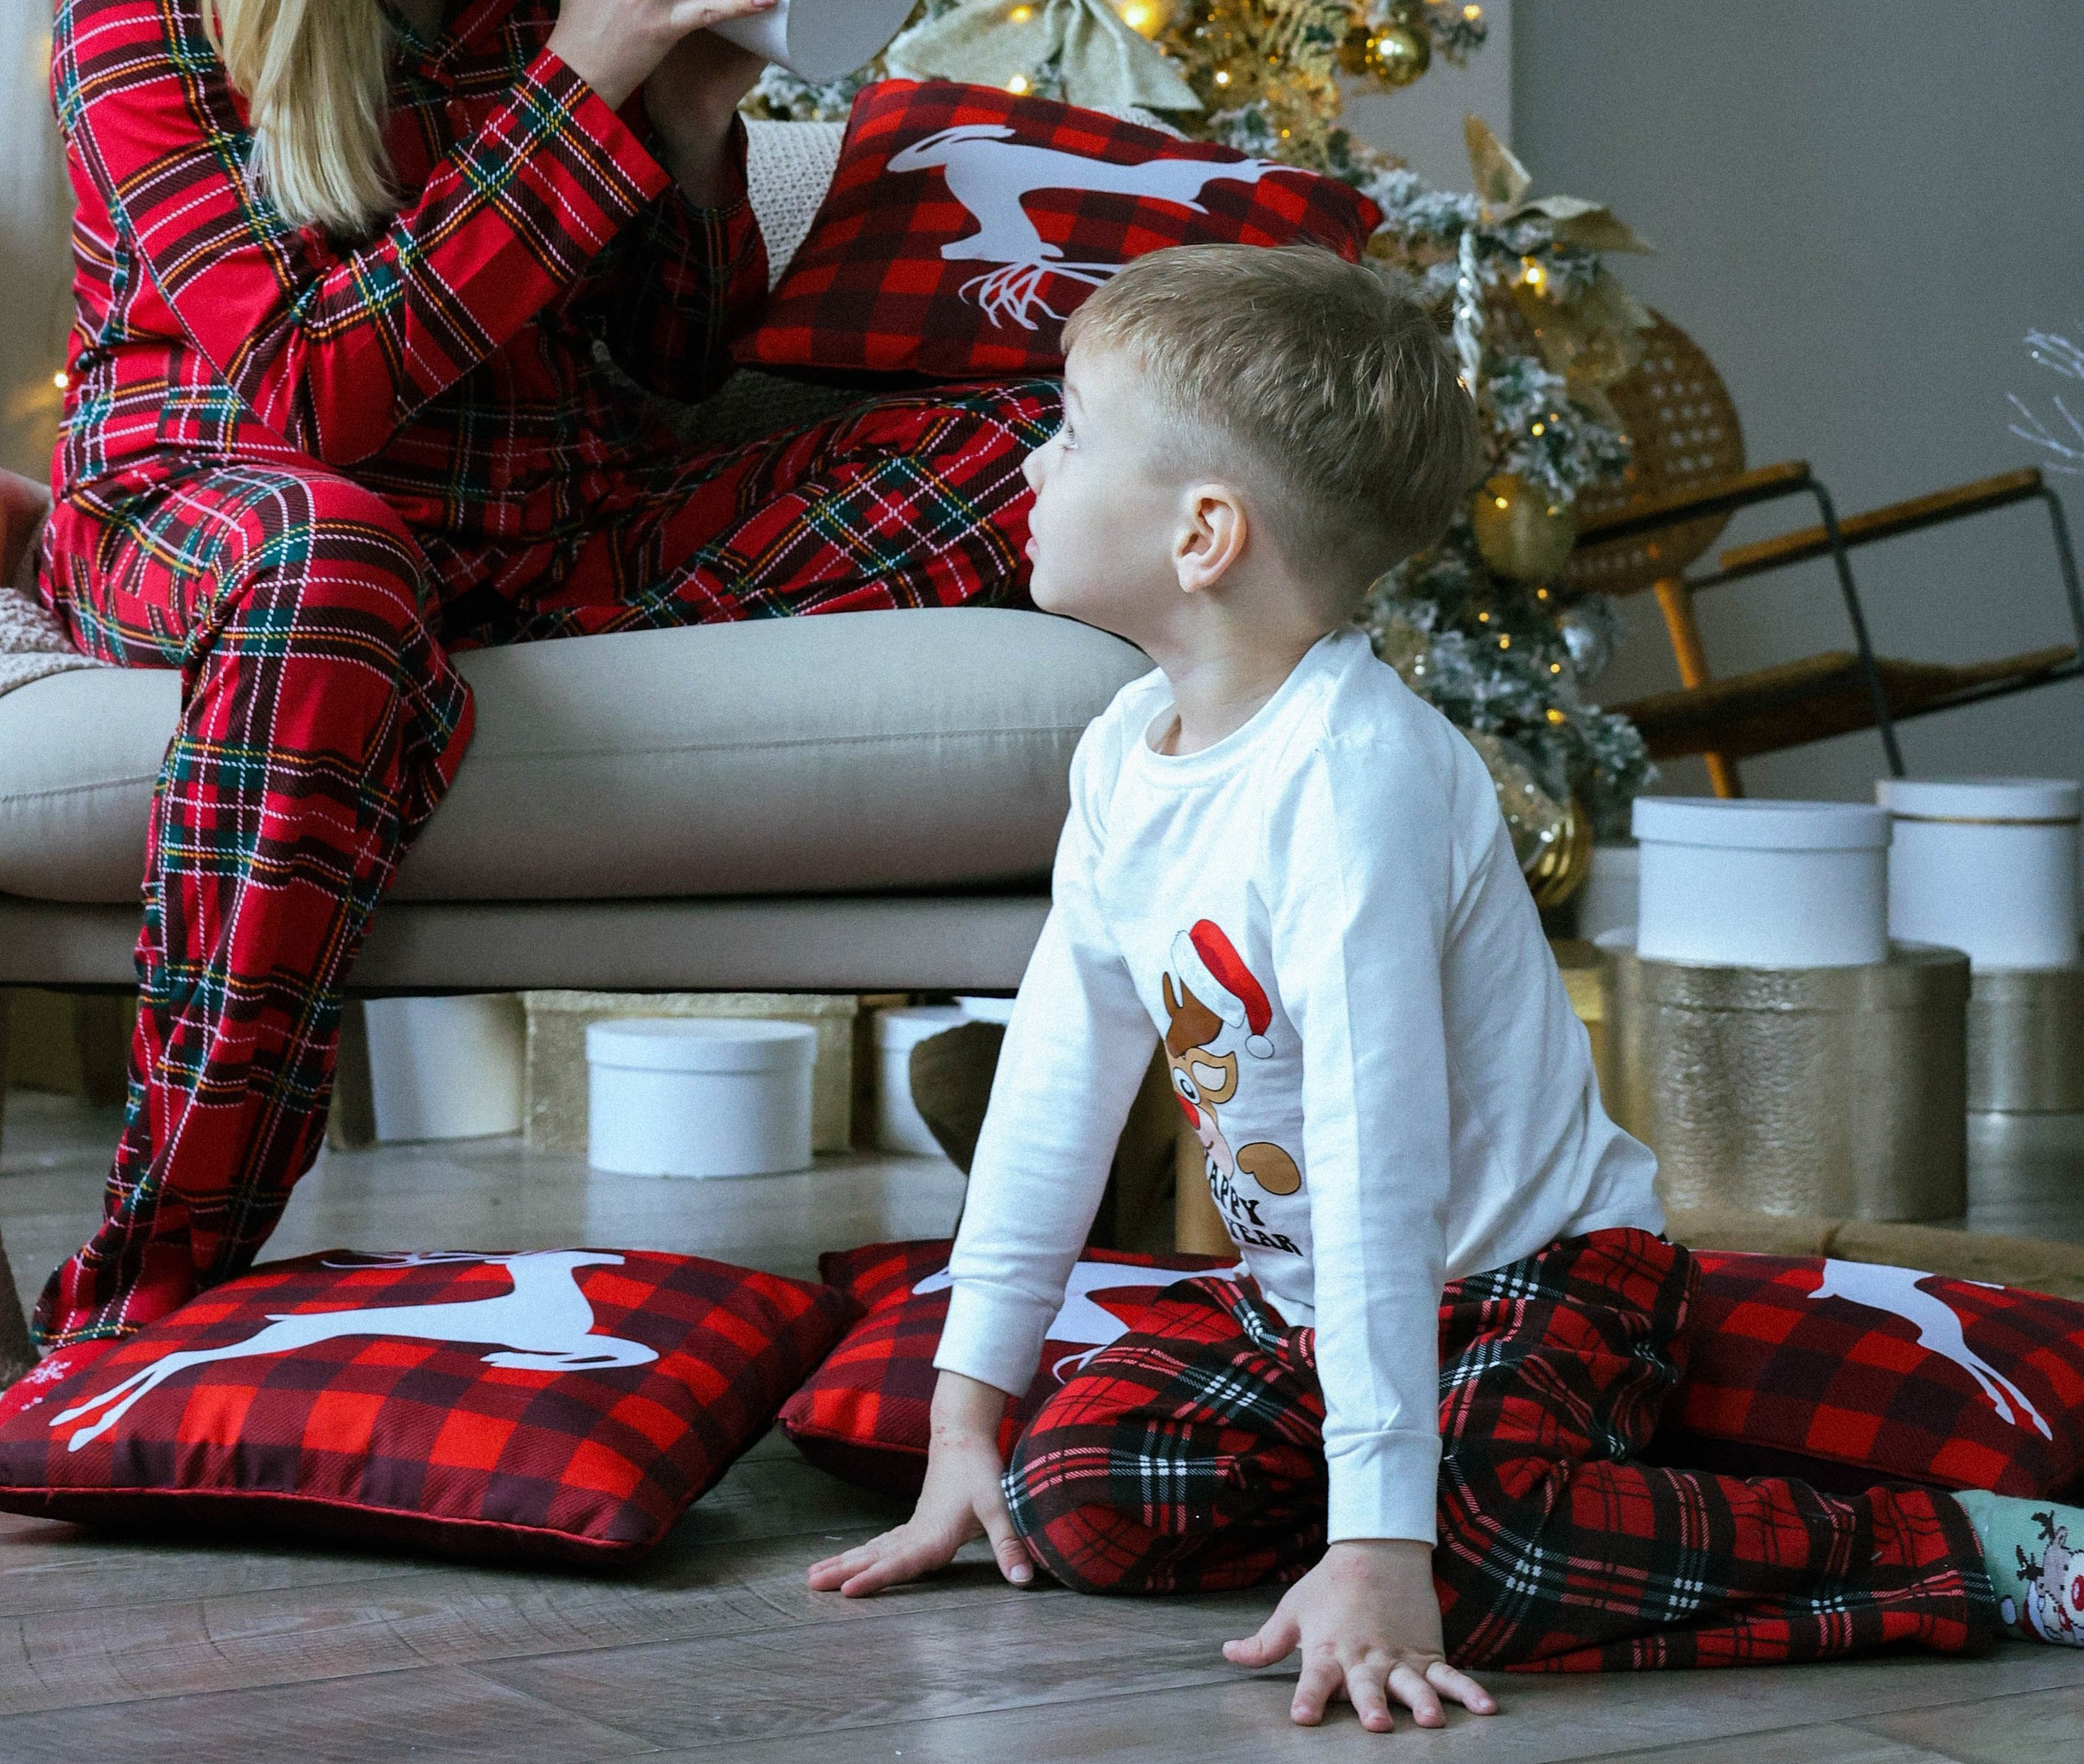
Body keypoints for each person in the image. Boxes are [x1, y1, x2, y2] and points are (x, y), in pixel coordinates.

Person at [39, 0, 1057, 1348]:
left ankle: (1139, 1207)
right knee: (332, 567)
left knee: (1049, 441)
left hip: (541, 539)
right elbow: (311, 396)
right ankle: (156, 1288)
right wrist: (585, 79)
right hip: (227, 514)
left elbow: (667, 365)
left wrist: (681, 116)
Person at [809, 244, 2046, 1723]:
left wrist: (1387, 1535)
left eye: (1070, 428)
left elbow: (1375, 1161)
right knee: (1078, 1491)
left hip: (1540, 1270)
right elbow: (1057, 1080)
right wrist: (966, 1419)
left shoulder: (1353, 780)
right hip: (1315, 1303)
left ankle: (1966, 1549)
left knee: (1484, 1551)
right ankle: (1394, 1527)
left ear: (1205, 533)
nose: (1033, 458)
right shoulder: (1122, 757)